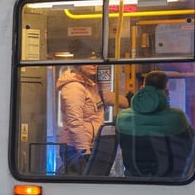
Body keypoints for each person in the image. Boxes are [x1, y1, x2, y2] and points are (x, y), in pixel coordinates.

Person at [57, 41, 130, 174]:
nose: (94, 65)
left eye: (96, 61)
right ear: (79, 63)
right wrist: (85, 152)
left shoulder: (92, 86)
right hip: (75, 148)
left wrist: (130, 100)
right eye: (89, 61)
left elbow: (109, 98)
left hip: (91, 145)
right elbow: (75, 123)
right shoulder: (74, 88)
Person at [116, 70, 193, 176]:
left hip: (134, 179)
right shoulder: (178, 117)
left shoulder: (123, 117)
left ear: (142, 88)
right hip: (172, 180)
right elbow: (189, 148)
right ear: (166, 91)